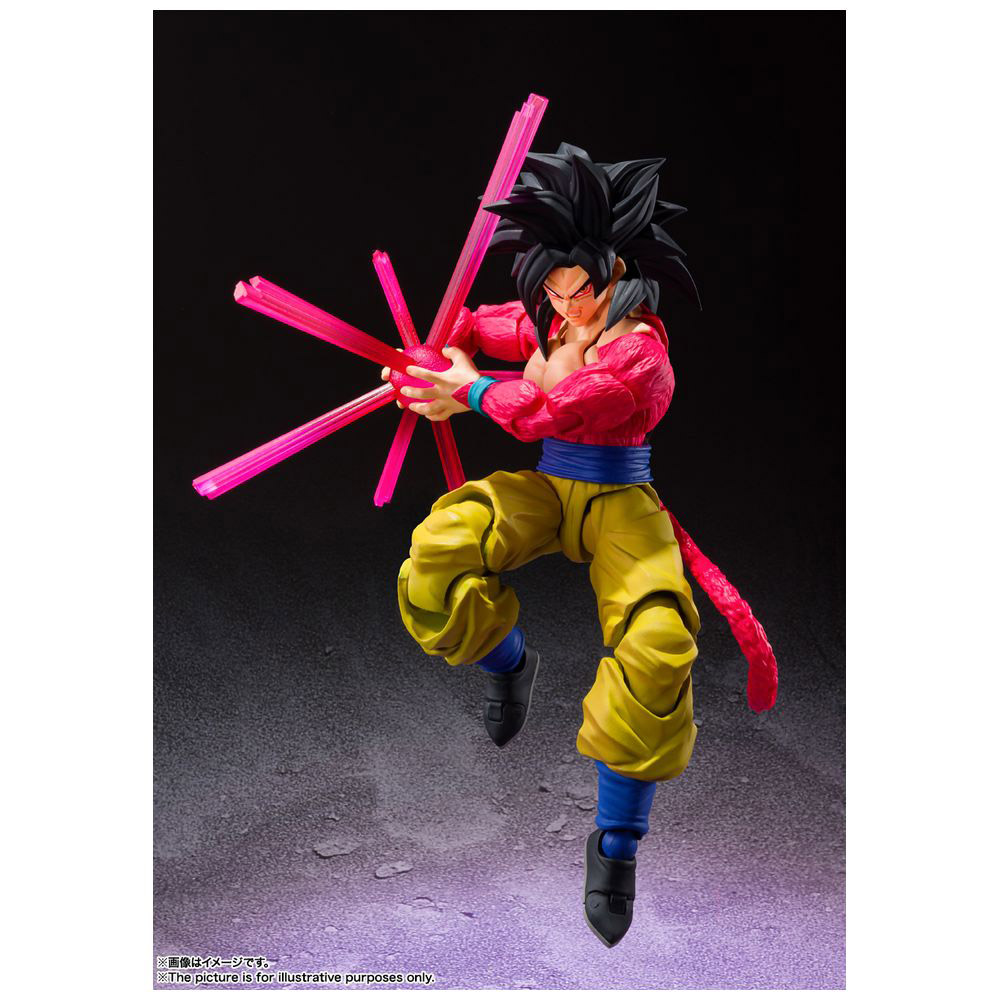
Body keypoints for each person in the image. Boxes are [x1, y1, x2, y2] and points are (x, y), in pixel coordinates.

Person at [382, 144, 729, 947]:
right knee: (440, 550)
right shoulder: (546, 317)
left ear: (622, 273)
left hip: (620, 501)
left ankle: (616, 846)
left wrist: (466, 389)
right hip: (548, 490)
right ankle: (510, 663)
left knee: (658, 642)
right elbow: (481, 325)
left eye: (585, 290)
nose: (570, 307)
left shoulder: (639, 354)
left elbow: (557, 410)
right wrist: (433, 354)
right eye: (555, 290)